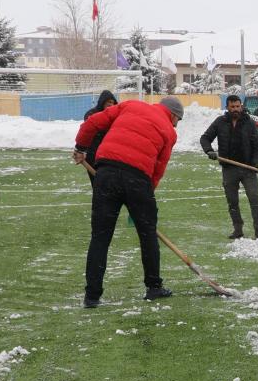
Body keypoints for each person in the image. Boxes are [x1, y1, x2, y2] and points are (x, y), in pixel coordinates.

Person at [73, 97, 182, 308]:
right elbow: (159, 168)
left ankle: (92, 296)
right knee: (148, 235)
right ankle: (154, 286)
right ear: (173, 115)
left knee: (100, 237)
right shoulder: (169, 132)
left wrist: (80, 147)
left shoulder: (130, 105)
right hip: (138, 180)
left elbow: (92, 123)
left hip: (106, 173)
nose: (176, 125)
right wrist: (145, 201)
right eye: (178, 120)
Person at [201, 94, 258, 239]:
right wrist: (209, 151)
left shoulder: (249, 123)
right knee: (232, 202)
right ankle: (238, 230)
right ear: (227, 107)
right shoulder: (220, 122)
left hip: (248, 169)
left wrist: (255, 163)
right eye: (232, 107)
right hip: (229, 169)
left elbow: (256, 145)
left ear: (241, 106)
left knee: (254, 199)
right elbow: (205, 138)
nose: (236, 109)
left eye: (238, 106)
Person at [81, 89, 118, 185]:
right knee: (96, 183)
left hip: (108, 154)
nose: (111, 104)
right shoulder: (91, 114)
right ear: (102, 102)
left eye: (112, 102)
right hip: (93, 153)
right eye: (108, 102)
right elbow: (89, 130)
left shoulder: (115, 116)